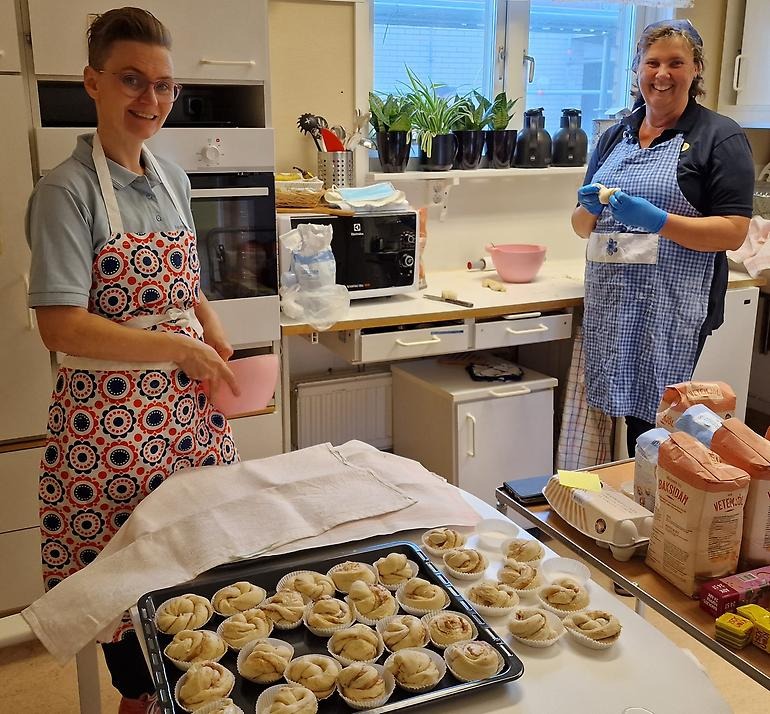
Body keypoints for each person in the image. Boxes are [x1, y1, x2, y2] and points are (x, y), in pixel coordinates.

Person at [26, 8, 240, 712]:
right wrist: (180, 347)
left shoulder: (171, 178)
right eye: (131, 80)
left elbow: (188, 285)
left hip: (187, 422)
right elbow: (60, 326)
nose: (150, 100)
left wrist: (211, 330)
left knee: (201, 607)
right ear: (92, 82)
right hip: (109, 437)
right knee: (137, 637)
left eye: (164, 86)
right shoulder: (67, 191)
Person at [571, 19, 754, 457]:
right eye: (652, 62)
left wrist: (658, 220)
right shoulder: (615, 134)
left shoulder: (719, 137)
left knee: (656, 427)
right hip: (612, 302)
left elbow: (733, 230)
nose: (662, 73)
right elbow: (580, 227)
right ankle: (617, 512)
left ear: (696, 71)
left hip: (671, 305)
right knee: (609, 415)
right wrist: (589, 209)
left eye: (676, 62)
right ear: (637, 69)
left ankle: (659, 517)